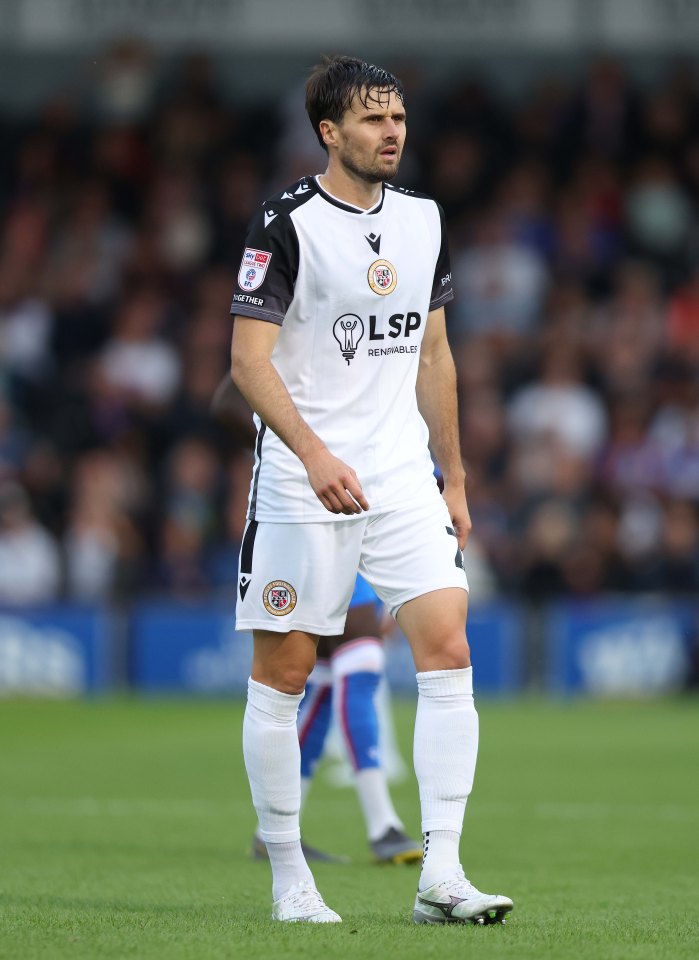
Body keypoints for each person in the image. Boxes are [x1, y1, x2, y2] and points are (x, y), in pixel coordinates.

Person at [229, 55, 514, 925]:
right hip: (299, 479)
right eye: (370, 119)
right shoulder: (283, 223)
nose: (391, 131)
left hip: (399, 476)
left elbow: (432, 355)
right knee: (284, 673)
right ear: (329, 132)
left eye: (396, 117)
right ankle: (289, 881)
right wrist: (313, 455)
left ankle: (442, 874)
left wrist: (454, 476)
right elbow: (246, 363)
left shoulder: (424, 220)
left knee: (448, 649)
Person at [211, 378, 421, 864]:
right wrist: (292, 449)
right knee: (352, 671)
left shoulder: (364, 361)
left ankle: (275, 831)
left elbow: (225, 400)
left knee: (326, 685)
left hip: (350, 522)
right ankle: (383, 826)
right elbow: (229, 394)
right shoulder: (314, 347)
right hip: (318, 524)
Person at [251, 572, 422, 865]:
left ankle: (273, 831)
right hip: (335, 552)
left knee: (322, 693)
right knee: (359, 672)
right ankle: (383, 827)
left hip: (317, 556)